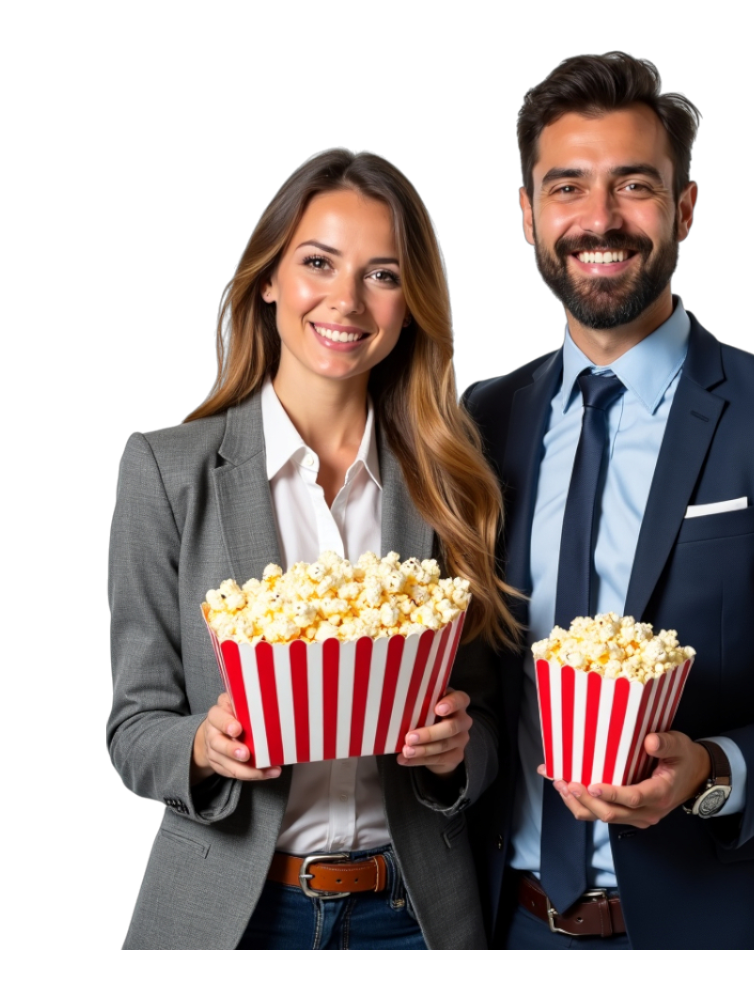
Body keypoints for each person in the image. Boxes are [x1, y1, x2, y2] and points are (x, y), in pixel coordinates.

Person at [463, 52, 754, 950]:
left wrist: (712, 771)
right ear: (529, 215)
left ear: (684, 209)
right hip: (508, 921)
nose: (600, 219)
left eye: (635, 185)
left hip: (713, 924)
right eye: (568, 187)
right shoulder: (480, 422)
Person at [108, 149, 517, 950]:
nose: (346, 300)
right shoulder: (167, 471)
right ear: (268, 278)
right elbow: (134, 727)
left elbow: (489, 719)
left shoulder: (450, 482)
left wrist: (456, 752)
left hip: (411, 914)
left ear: (411, 304)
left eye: (382, 275)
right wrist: (202, 746)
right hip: (232, 911)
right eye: (319, 263)